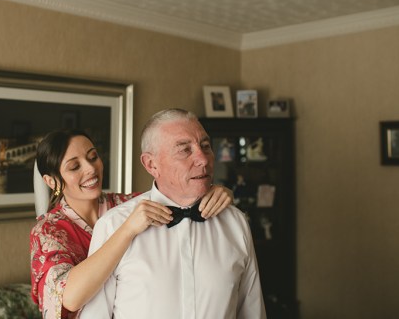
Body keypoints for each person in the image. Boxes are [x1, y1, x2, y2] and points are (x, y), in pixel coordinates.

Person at [80, 109, 267, 319]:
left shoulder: (235, 222)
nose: (203, 160)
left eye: (205, 146)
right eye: (184, 150)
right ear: (151, 164)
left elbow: (252, 310)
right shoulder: (113, 226)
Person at [30, 129, 233, 319]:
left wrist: (214, 191)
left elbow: (178, 198)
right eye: (75, 166)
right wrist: (127, 230)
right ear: (51, 181)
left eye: (93, 157)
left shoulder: (130, 205)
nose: (91, 168)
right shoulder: (48, 231)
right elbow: (70, 298)